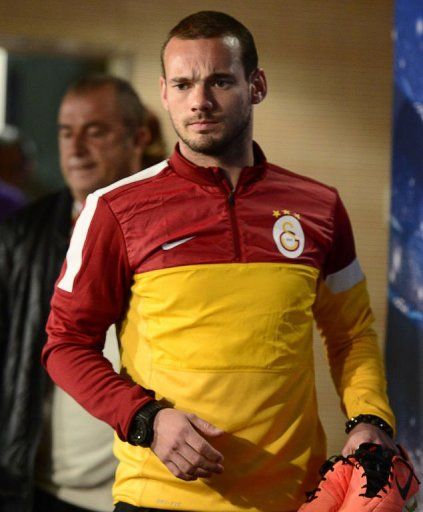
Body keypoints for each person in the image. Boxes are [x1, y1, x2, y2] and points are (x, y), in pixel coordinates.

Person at [42, 12, 396, 512]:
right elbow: (64, 345)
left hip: (293, 498)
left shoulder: (320, 206)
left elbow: (351, 333)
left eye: (220, 81)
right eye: (183, 84)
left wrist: (369, 419)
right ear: (164, 93)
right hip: (158, 499)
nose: (200, 102)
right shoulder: (113, 209)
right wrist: (147, 419)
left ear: (257, 86)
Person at [0, 74, 151, 512]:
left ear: (137, 137)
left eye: (96, 131)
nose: (76, 147)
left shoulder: (174, 229)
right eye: (66, 132)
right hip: (43, 489)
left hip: (144, 486)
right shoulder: (20, 235)